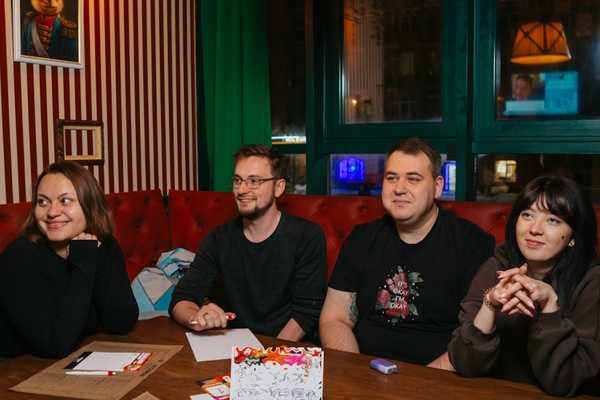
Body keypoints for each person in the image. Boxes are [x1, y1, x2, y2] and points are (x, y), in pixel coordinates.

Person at [319, 137, 495, 368]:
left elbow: (474, 338)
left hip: (438, 376)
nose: (399, 189)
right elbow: (335, 318)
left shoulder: (472, 244)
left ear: (438, 186)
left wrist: (420, 383)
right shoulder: (362, 238)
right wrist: (357, 373)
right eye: (391, 178)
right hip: (363, 368)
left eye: (413, 179)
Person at [448, 175, 600, 396]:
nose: (535, 229)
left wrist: (550, 305)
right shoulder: (498, 267)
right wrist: (490, 304)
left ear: (573, 236)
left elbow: (564, 382)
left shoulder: (591, 281)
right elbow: (465, 364)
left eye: (553, 220)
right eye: (527, 215)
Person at [170, 145, 326, 341]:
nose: (242, 190)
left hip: (286, 346)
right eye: (237, 180)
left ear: (278, 187)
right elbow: (182, 298)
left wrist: (270, 353)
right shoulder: (219, 239)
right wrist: (196, 318)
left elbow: (306, 313)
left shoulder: (307, 236)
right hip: (232, 344)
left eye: (254, 181)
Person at [0, 161, 138, 358]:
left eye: (65, 201)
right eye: (42, 202)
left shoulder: (103, 245)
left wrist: (94, 256)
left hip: (73, 361)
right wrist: (83, 263)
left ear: (89, 205)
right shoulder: (19, 257)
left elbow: (122, 321)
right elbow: (55, 344)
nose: (52, 212)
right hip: (15, 368)